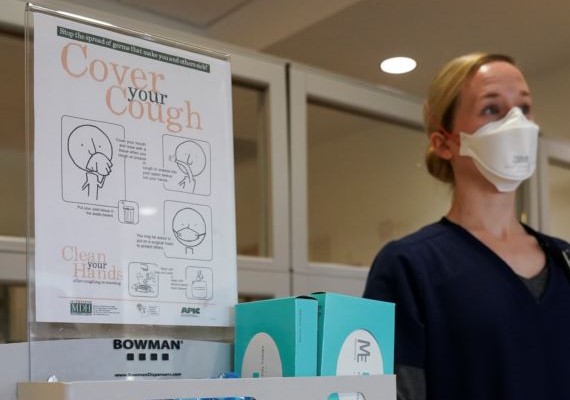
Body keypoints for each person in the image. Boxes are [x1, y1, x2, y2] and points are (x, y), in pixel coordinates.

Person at [363, 52, 570, 400]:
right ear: (444, 143)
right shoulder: (410, 266)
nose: (516, 123)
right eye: (492, 109)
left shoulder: (563, 260)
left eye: (524, 108)